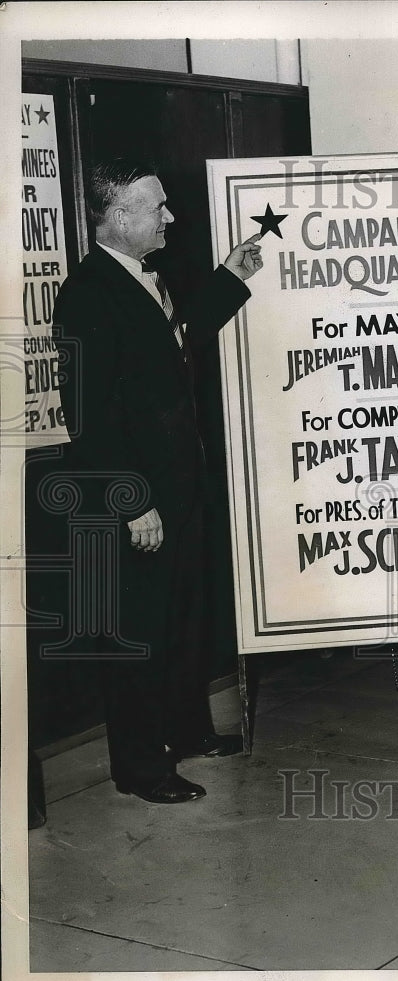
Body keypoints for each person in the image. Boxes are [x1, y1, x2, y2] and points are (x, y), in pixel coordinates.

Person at [53, 158, 264, 804]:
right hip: (138, 498)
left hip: (181, 486)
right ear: (120, 218)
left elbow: (177, 341)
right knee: (140, 634)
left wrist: (230, 278)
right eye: (157, 207)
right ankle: (141, 768)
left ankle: (189, 731)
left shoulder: (148, 279)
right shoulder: (88, 292)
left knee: (184, 618)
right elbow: (87, 414)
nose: (169, 216)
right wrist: (133, 501)